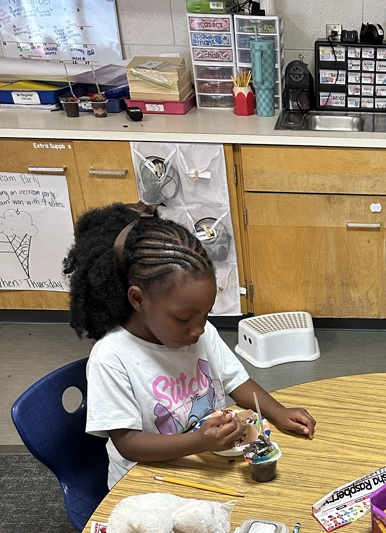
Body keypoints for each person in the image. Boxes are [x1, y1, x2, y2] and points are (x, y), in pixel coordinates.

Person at [66, 203, 316, 487]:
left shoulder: (200, 331)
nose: (199, 329)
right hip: (147, 482)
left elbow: (236, 381)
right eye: (183, 319)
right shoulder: (112, 358)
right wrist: (198, 441)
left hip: (205, 463)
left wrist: (278, 412)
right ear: (138, 299)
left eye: (206, 315)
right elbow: (129, 444)